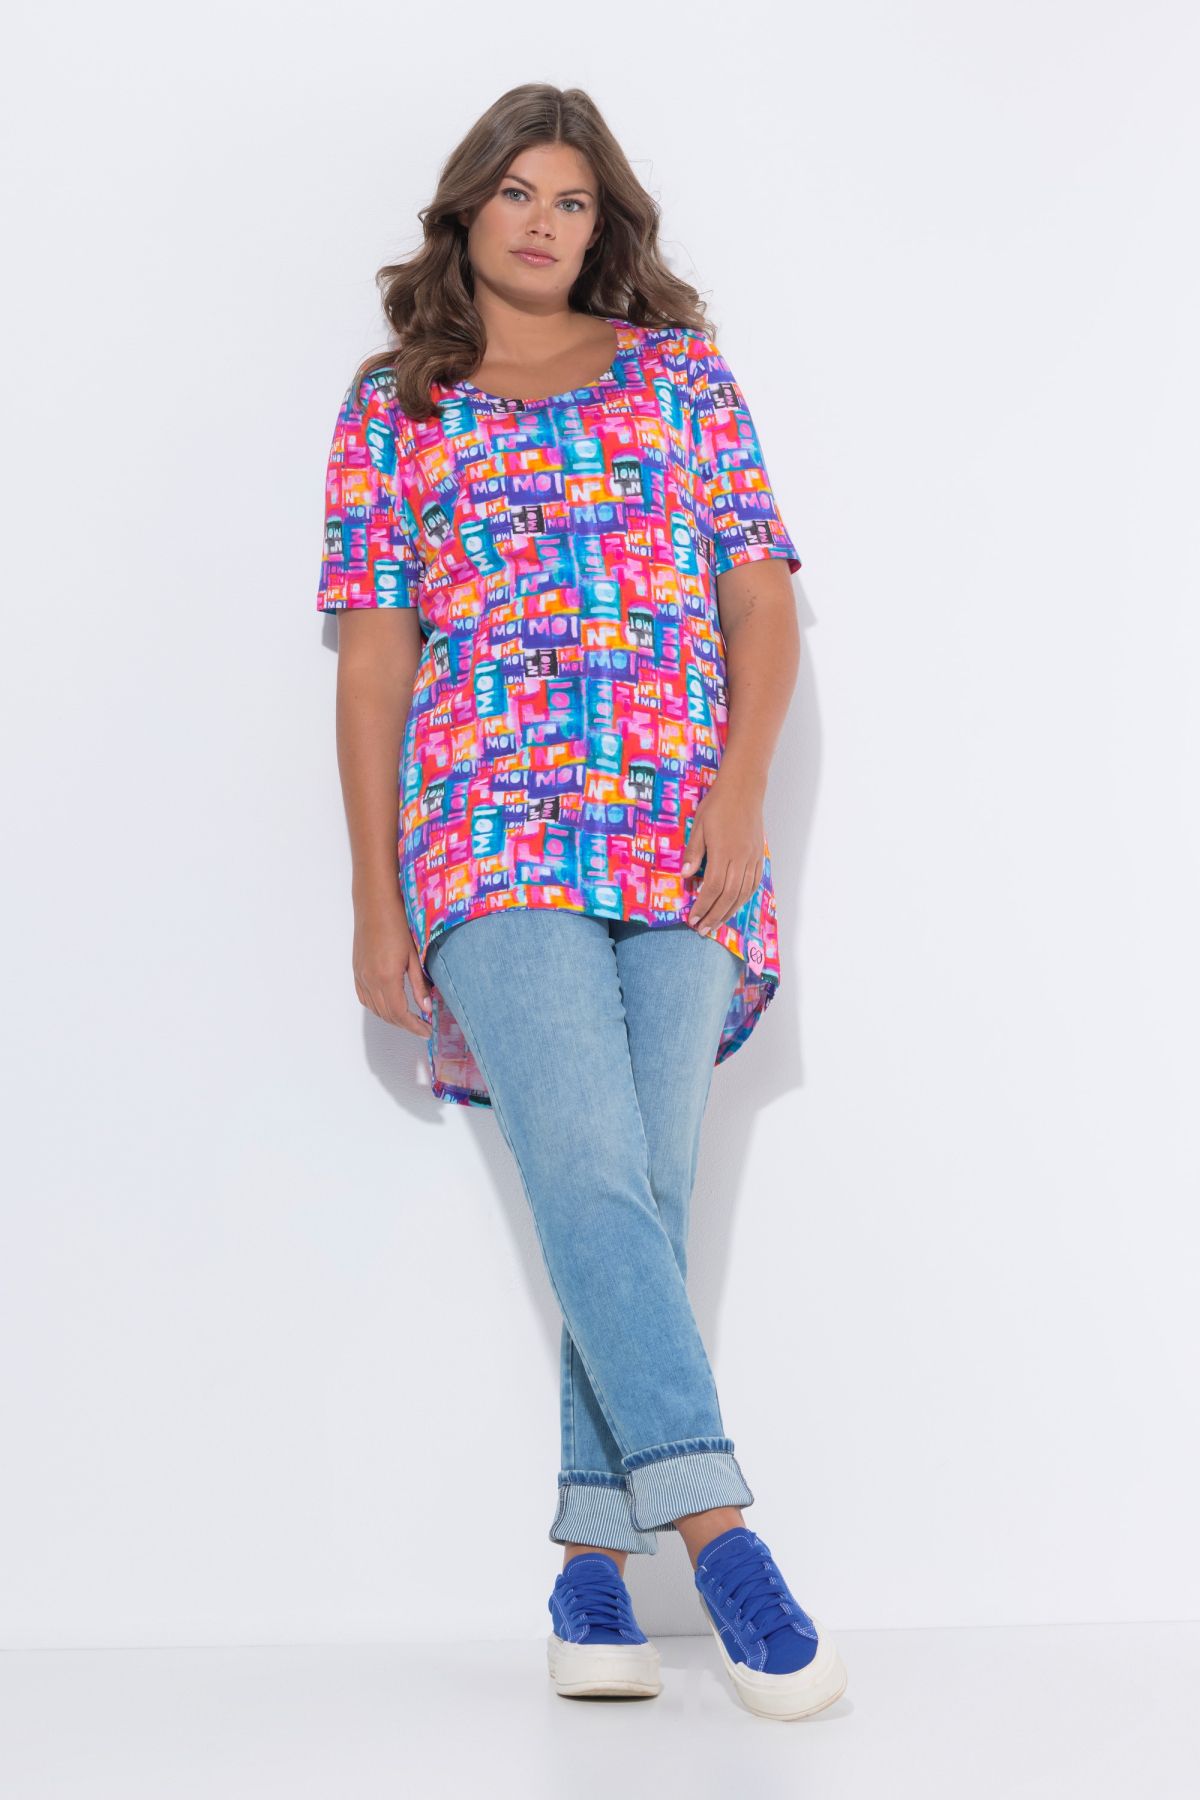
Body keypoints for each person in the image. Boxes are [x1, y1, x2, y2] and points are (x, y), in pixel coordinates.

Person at [313, 82, 848, 1722]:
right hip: (489, 832)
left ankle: (588, 1572)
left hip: (682, 834)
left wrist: (743, 796)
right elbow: (373, 669)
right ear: (466, 206)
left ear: (602, 222)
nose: (544, 222)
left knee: (643, 1192)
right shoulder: (395, 405)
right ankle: (725, 1541)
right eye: (518, 193)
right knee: (598, 1175)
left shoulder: (682, 375)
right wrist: (374, 898)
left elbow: (761, 605)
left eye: (573, 199)